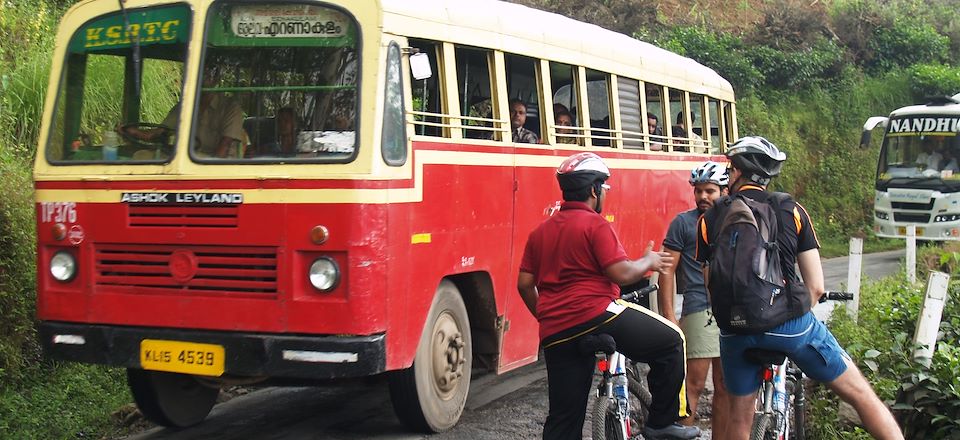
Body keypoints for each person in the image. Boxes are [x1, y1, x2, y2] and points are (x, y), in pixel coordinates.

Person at [695, 136, 904, 440]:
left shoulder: (709, 218)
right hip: (789, 326)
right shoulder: (790, 210)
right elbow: (816, 287)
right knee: (860, 393)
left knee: (740, 418)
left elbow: (711, 287)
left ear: (738, 172)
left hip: (734, 330)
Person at [517, 152, 700, 440]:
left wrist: (548, 316)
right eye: (603, 187)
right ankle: (662, 422)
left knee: (564, 418)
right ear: (593, 190)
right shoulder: (594, 224)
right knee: (673, 339)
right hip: (597, 314)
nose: (604, 193)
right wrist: (648, 262)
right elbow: (622, 273)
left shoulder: (540, 232)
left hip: (556, 331)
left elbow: (525, 284)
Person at [659, 161, 731, 438]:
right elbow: (667, 269)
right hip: (699, 309)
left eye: (710, 191)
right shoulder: (683, 223)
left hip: (732, 312)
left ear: (724, 191)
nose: (703, 197)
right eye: (698, 191)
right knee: (695, 385)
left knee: (725, 386)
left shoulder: (736, 219)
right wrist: (669, 316)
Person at [122, 64, 245, 158]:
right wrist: (132, 131)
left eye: (208, 76)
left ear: (216, 80)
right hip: (185, 158)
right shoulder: (185, 105)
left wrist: (210, 173)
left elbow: (224, 148)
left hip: (213, 161)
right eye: (198, 75)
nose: (202, 80)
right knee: (142, 155)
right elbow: (157, 133)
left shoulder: (230, 108)